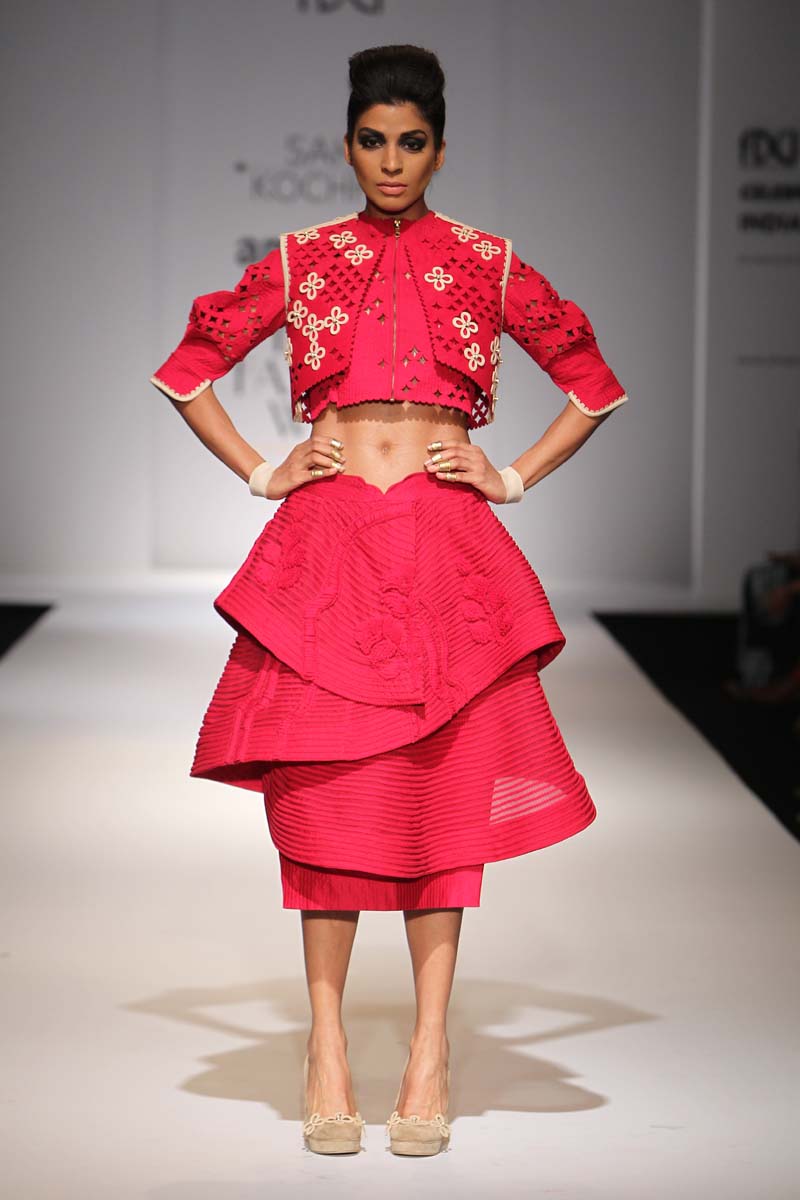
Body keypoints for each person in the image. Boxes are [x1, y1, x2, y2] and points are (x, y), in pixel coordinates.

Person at [149, 43, 628, 1157]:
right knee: (324, 798)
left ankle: (428, 1051)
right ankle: (324, 1047)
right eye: (374, 141)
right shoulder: (302, 257)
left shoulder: (485, 262)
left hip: (444, 545)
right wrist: (262, 470)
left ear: (440, 150)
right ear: (349, 146)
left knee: (437, 802)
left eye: (412, 142)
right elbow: (187, 368)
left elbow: (593, 384)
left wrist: (510, 476)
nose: (393, 161)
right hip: (328, 544)